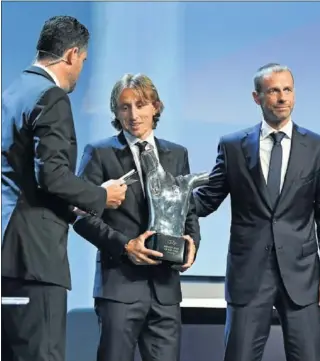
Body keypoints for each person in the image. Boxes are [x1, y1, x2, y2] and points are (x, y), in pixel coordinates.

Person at [193, 63, 320, 361]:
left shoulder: (318, 147)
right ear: (257, 97)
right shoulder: (233, 146)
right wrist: (163, 203)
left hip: (302, 277)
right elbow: (207, 200)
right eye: (273, 90)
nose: (282, 97)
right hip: (249, 275)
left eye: (287, 89)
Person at [1, 16, 127, 361]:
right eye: (83, 62)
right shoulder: (51, 96)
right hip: (35, 260)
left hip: (7, 257)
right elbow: (52, 176)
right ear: (72, 54)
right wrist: (103, 196)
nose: (80, 71)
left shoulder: (11, 93)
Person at [73, 73, 200, 361]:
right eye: (124, 107)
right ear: (116, 112)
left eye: (141, 105)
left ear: (155, 106)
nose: (133, 114)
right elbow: (81, 217)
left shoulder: (177, 154)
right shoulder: (100, 153)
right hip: (119, 288)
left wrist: (193, 244)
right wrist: (124, 246)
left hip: (166, 291)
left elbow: (188, 210)